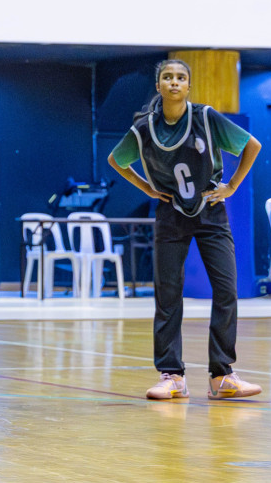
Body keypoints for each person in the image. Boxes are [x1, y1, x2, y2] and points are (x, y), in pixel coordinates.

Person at [106, 58, 262, 401]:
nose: (174, 82)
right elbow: (116, 160)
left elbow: (252, 145)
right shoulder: (145, 128)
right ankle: (172, 375)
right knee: (168, 295)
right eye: (167, 77)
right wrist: (146, 187)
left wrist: (232, 185)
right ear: (158, 85)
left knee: (226, 289)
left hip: (211, 211)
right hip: (171, 214)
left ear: (188, 86)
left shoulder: (206, 117)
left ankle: (222, 376)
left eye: (180, 78)